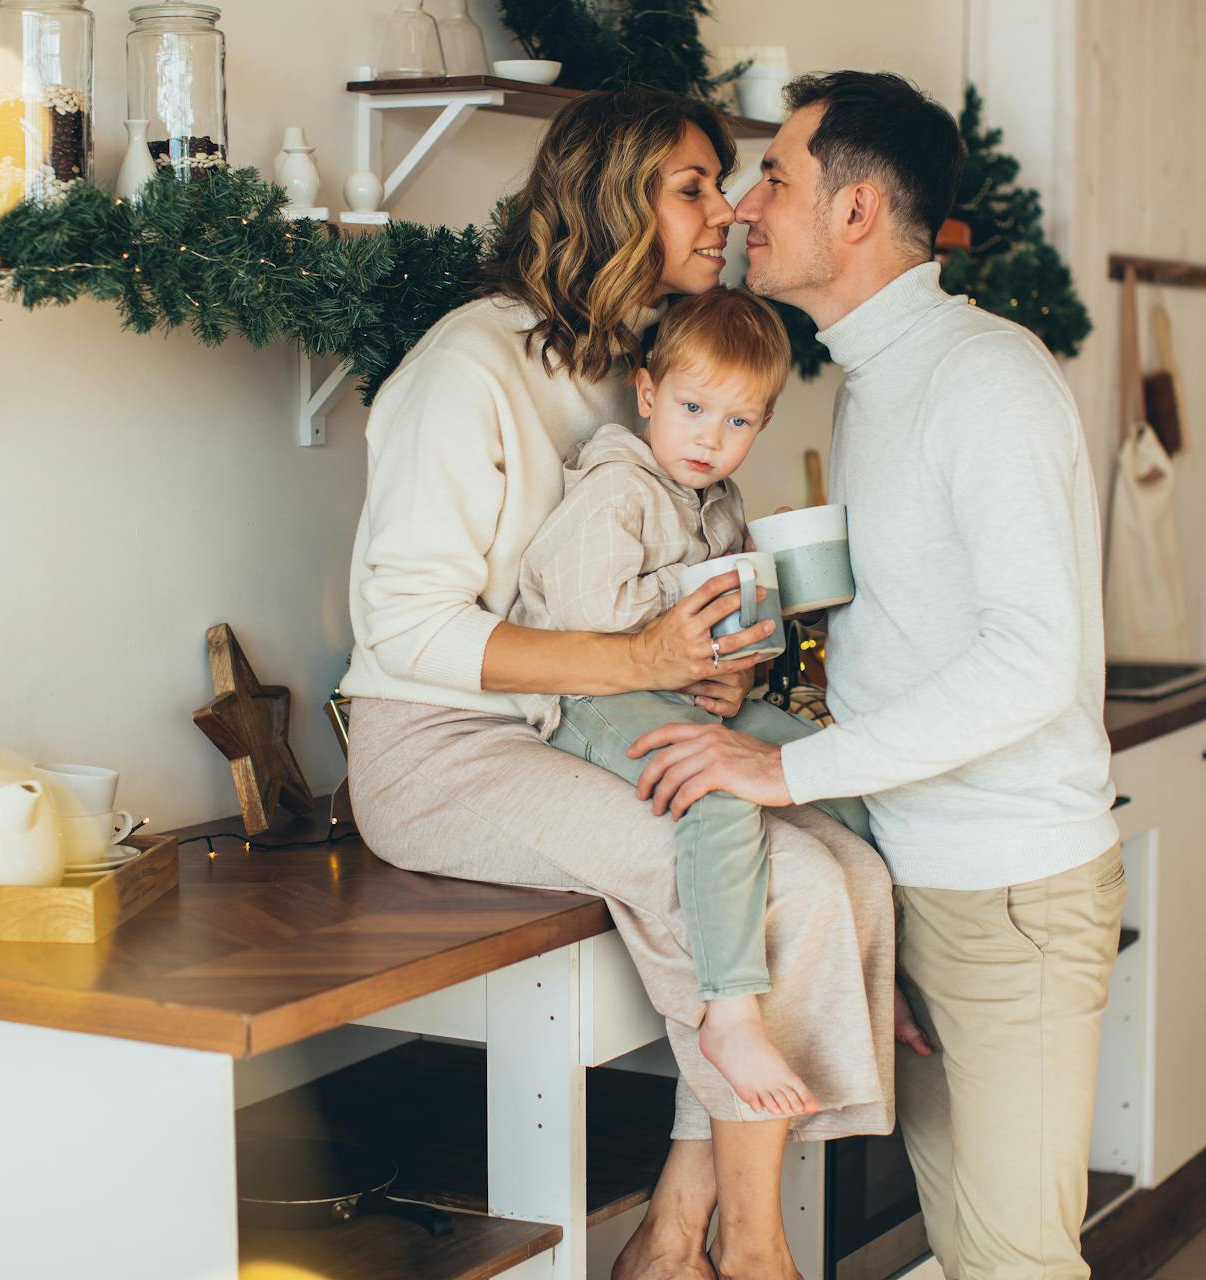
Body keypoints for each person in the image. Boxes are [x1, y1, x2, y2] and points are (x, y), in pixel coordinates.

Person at [339, 88, 894, 1280]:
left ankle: (671, 1227)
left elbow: (644, 595)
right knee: (778, 871)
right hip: (441, 749)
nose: (729, 213)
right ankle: (751, 1244)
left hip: (573, 726)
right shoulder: (463, 368)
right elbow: (405, 626)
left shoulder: (634, 365)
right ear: (609, 198)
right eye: (692, 185)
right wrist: (646, 659)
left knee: (838, 850)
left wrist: (715, 650)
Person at [630, 72, 1124, 1280]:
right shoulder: (870, 381)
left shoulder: (986, 379)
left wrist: (786, 767)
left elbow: (1031, 662)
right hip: (923, 875)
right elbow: (906, 633)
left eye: (776, 177)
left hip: (1011, 895)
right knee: (968, 1251)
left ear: (854, 212)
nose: (746, 206)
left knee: (1013, 1261)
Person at [508, 285, 881, 1120]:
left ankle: (889, 978)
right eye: (692, 407)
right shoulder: (618, 488)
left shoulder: (719, 501)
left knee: (822, 768)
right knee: (716, 796)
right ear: (647, 394)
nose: (711, 438)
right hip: (590, 694)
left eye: (739, 421)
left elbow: (725, 632)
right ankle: (730, 1010)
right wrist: (698, 599)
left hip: (672, 684)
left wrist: (746, 653)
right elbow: (586, 614)